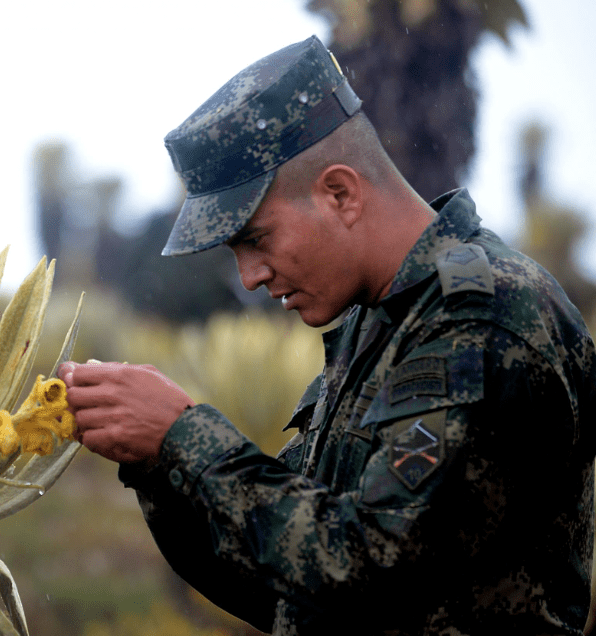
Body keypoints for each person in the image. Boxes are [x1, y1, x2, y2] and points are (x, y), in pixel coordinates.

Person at [59, 35, 596, 634]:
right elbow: (285, 573)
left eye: (256, 240)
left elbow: (372, 567)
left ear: (339, 193)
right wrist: (156, 461)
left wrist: (185, 435)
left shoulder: (483, 317)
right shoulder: (381, 321)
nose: (249, 276)